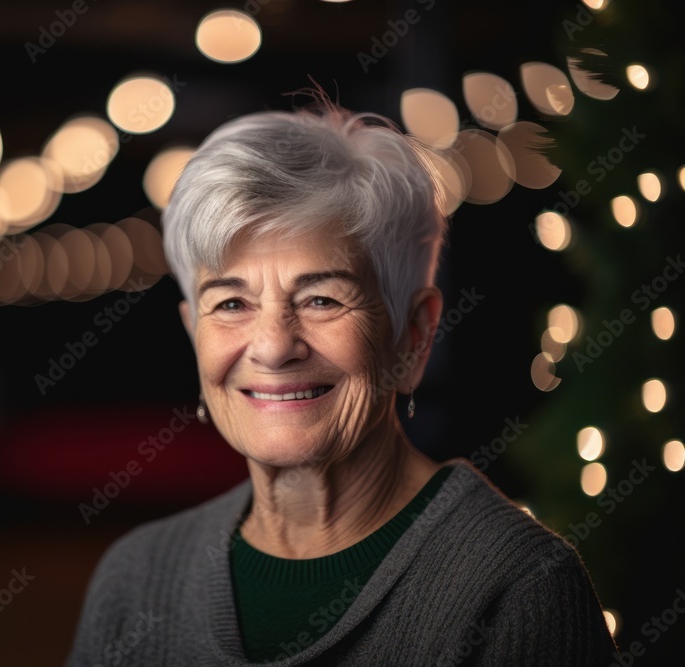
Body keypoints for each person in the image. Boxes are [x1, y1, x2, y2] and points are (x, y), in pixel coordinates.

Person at [66, 97, 618, 665]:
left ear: (413, 334)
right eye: (231, 303)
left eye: (322, 299)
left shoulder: (518, 589)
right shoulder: (133, 581)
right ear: (193, 332)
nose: (274, 347)